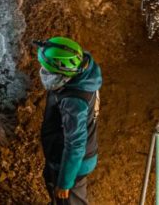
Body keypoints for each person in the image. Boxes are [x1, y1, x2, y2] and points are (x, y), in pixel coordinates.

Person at [35, 37, 103, 205]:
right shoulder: (85, 70)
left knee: (69, 199)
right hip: (68, 157)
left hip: (73, 163)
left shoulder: (74, 101)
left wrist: (65, 183)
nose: (43, 71)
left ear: (62, 74)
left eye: (47, 69)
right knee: (54, 187)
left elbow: (75, 144)